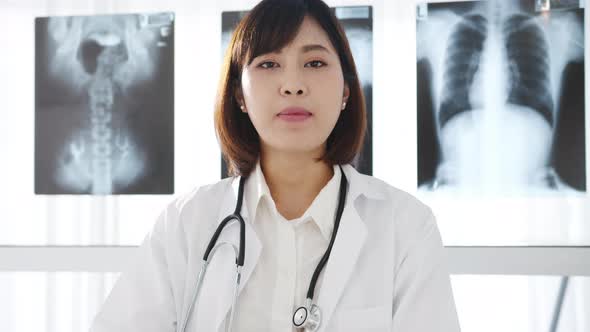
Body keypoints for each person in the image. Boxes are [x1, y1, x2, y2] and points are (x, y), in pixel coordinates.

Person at [90, 0, 461, 331]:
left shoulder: (405, 226)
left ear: (347, 90)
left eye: (315, 62)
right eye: (268, 63)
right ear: (240, 95)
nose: (293, 84)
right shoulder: (187, 223)